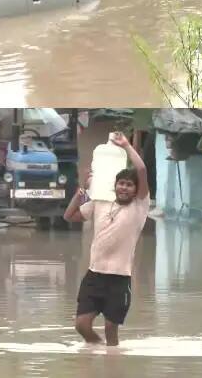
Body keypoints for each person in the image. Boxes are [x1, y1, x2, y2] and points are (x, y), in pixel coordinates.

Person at [63, 131, 150, 346]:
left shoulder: (139, 207)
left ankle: (111, 362)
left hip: (119, 280)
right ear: (115, 185)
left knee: (112, 332)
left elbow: (141, 170)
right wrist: (83, 189)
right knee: (81, 325)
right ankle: (97, 351)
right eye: (121, 183)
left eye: (129, 185)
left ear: (135, 190)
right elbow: (69, 216)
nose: (124, 187)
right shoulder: (100, 202)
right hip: (94, 276)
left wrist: (127, 146)